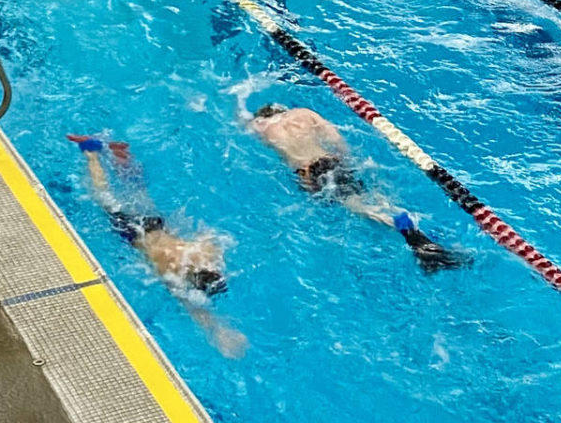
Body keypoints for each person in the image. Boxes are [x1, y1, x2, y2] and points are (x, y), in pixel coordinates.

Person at [69, 134, 245, 355]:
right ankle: (91, 153)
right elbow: (195, 310)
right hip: (134, 233)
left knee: (139, 192)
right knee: (103, 196)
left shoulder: (206, 254)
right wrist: (219, 331)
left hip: (156, 224)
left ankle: (121, 157)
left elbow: (210, 237)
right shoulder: (172, 273)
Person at [247, 103, 463, 271]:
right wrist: (346, 162)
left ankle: (413, 238)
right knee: (371, 196)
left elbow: (242, 123)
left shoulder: (262, 126)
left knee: (355, 205)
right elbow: (337, 139)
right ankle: (403, 220)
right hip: (331, 161)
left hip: (310, 172)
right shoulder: (303, 113)